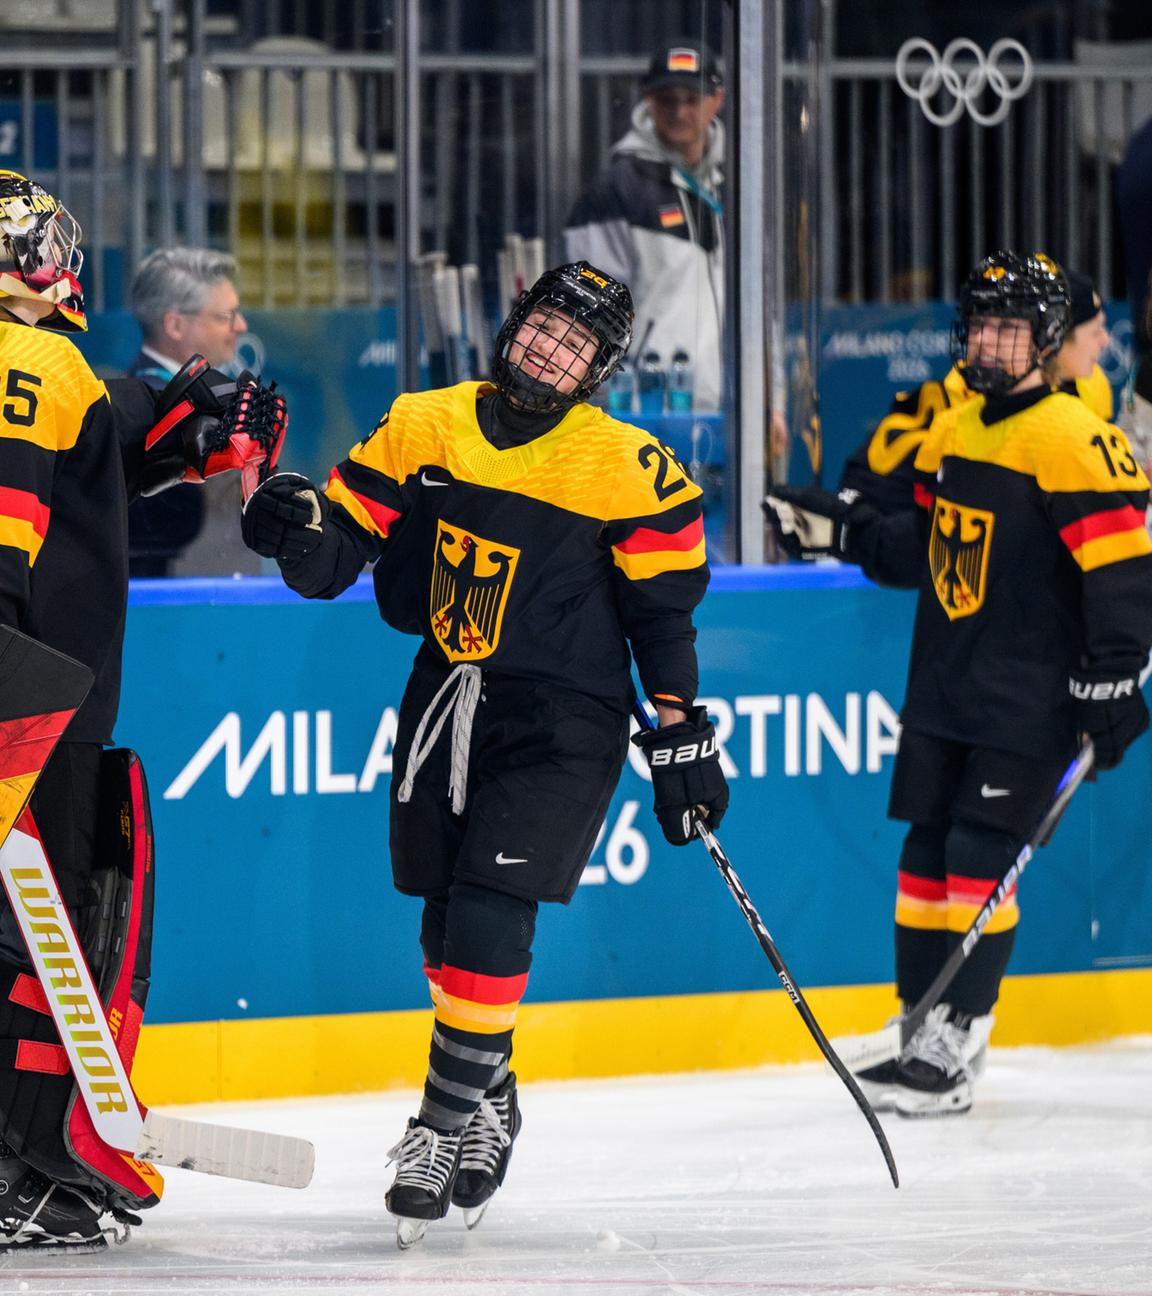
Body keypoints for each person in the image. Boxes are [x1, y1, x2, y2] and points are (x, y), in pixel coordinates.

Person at [240, 261, 729, 1247]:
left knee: (495, 907)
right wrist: (288, 528)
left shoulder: (629, 466)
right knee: (444, 914)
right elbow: (338, 553)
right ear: (514, 326)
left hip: (567, 719)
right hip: (447, 695)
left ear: (599, 369)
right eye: (544, 326)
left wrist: (679, 730)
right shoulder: (424, 423)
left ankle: (438, 1125)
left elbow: (661, 617)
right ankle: (489, 1089)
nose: (550, 350)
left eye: (576, 343)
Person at [764, 251, 1152, 1117]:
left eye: (1008, 328)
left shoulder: (1077, 439)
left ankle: (959, 1038)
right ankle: (919, 1025)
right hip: (945, 685)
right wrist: (848, 534)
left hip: (1030, 697)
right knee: (925, 855)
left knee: (981, 857)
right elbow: (929, 550)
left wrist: (1114, 677)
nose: (987, 341)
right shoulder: (957, 429)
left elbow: (1124, 573)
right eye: (979, 324)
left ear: (1046, 340)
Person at [0, 170, 285, 1249]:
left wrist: (188, 428)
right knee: (33, 940)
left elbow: (94, 451)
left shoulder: (51, 372)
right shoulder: (31, 360)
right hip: (29, 696)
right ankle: (18, 1165)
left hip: (35, 683)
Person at [839, 264, 1113, 516]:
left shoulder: (1092, 384)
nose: (1105, 340)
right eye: (1096, 329)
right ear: (1053, 336)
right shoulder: (983, 387)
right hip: (896, 508)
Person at [563, 42, 725, 411]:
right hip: (640, 408)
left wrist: (770, 398)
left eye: (692, 99)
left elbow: (760, 308)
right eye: (668, 99)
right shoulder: (615, 189)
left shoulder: (736, 183)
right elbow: (588, 315)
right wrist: (602, 406)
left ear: (717, 100)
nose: (679, 111)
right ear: (648, 99)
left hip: (728, 408)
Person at [125, 247, 252, 576]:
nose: (241, 325)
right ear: (175, 325)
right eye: (226, 316)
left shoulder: (151, 397)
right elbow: (185, 519)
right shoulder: (151, 406)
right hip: (172, 593)